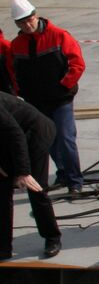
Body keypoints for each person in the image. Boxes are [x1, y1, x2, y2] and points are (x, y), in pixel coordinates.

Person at [5, 0, 86, 192]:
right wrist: (20, 92)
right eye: (22, 22)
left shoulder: (59, 36)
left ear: (36, 15)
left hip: (61, 100)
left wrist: (63, 86)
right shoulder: (16, 45)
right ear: (17, 24)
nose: (28, 24)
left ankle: (75, 181)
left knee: (66, 139)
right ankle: (64, 173)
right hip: (36, 102)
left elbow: (77, 64)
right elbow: (13, 72)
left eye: (30, 19)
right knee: (48, 140)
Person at [0, 91, 61, 259]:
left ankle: (52, 237)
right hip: (7, 141)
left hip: (35, 133)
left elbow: (15, 134)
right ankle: (3, 247)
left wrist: (23, 172)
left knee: (36, 188)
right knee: (2, 192)